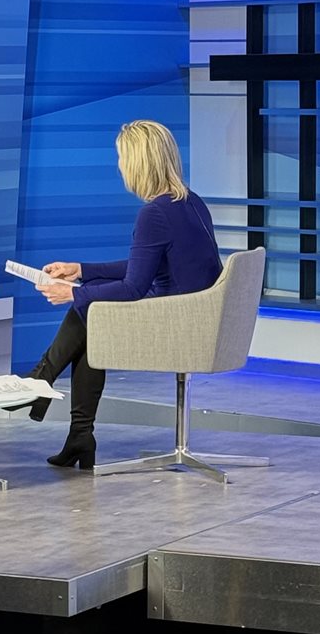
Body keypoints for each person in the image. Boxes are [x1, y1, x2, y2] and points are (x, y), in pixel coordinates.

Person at [17, 119, 222, 470]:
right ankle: (77, 433)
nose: (119, 166)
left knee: (89, 307)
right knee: (91, 309)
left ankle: (42, 380)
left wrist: (72, 293)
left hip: (180, 328)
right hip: (200, 319)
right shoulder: (189, 202)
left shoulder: (154, 213)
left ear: (138, 162)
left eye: (122, 158)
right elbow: (148, 265)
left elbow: (133, 287)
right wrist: (81, 270)